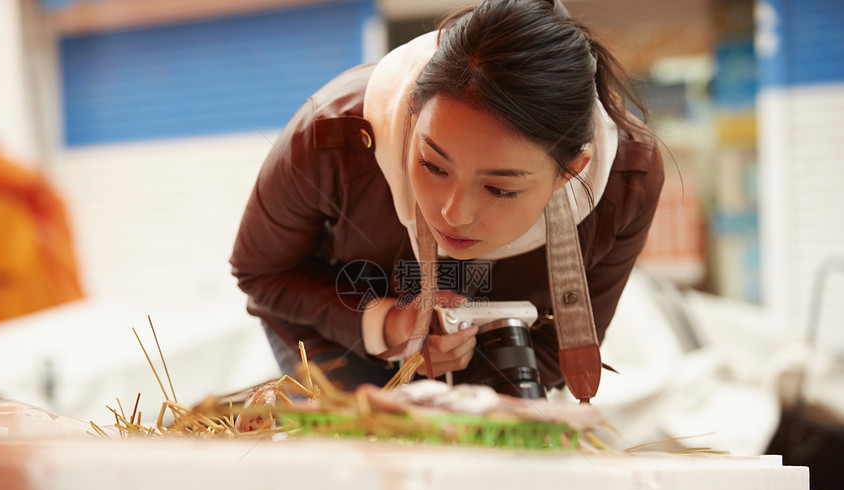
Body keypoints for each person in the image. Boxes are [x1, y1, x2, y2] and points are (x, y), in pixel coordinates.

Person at [230, 0, 664, 395]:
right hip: (337, 335)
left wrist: (470, 400)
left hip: (497, 366)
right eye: (433, 166)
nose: (453, 213)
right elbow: (262, 271)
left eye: (500, 188)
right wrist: (388, 325)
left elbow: (558, 344)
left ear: (571, 172)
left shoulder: (630, 178)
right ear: (413, 115)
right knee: (361, 449)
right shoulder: (332, 132)